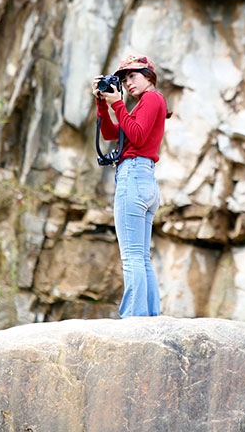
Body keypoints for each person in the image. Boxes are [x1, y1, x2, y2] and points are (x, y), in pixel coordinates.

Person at [92, 55, 169, 318]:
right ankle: (149, 317)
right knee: (142, 257)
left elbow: (135, 135)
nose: (128, 82)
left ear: (149, 76)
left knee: (132, 257)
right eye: (124, 79)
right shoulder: (145, 104)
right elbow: (113, 134)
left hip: (134, 177)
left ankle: (134, 319)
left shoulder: (151, 99)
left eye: (133, 76)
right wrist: (105, 105)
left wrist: (118, 106)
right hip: (145, 179)